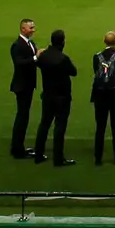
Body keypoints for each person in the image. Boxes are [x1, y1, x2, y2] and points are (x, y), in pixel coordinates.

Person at [33, 29, 77, 167]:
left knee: (44, 124)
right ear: (63, 41)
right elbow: (73, 72)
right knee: (59, 127)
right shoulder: (63, 59)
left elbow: (37, 63)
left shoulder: (44, 56)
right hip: (62, 97)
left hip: (47, 95)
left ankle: (38, 154)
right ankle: (58, 159)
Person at [90, 31, 115, 166]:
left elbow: (96, 72)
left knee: (100, 127)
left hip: (100, 96)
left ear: (104, 41)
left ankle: (98, 157)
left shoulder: (96, 57)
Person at [8, 18, 39, 159]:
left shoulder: (30, 43)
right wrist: (35, 58)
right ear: (23, 29)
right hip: (22, 86)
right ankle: (17, 149)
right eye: (31, 28)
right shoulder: (17, 45)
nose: (33, 30)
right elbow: (19, 63)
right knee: (22, 116)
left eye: (33, 27)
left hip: (28, 85)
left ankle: (18, 146)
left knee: (24, 115)